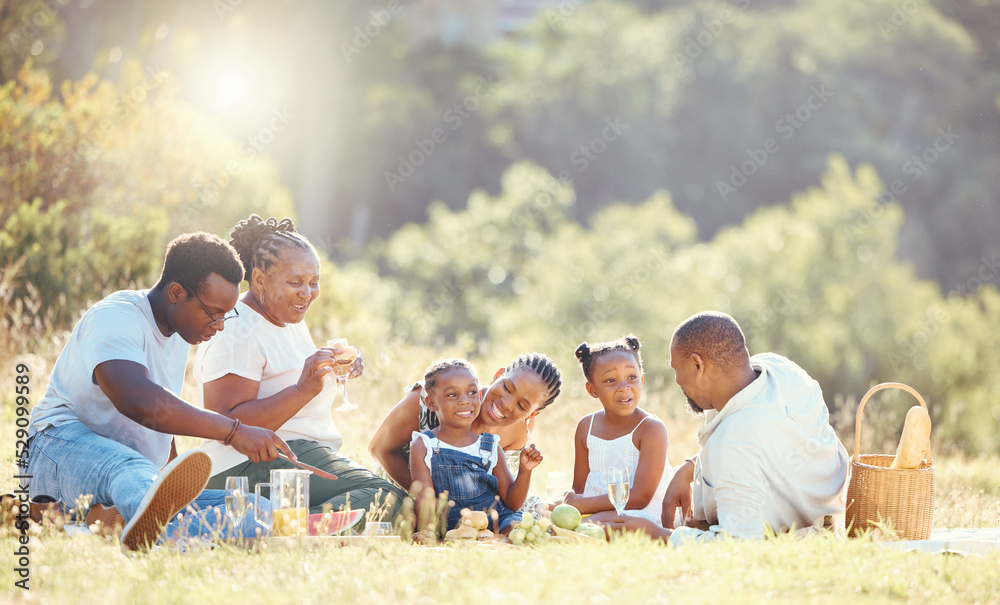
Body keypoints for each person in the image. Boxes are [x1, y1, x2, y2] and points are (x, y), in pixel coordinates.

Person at [25, 232, 290, 551]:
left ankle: (97, 524)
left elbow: (163, 415)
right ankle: (154, 536)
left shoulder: (180, 332)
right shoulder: (116, 316)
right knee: (129, 469)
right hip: (56, 449)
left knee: (252, 506)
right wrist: (234, 431)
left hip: (135, 478)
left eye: (226, 315)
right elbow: (138, 401)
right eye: (213, 312)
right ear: (176, 292)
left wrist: (171, 478)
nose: (219, 325)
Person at [195, 215, 404, 524]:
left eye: (313, 282)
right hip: (247, 464)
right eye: (295, 282)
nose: (307, 293)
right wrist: (302, 390)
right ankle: (282, 529)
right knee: (386, 498)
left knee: (394, 503)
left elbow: (292, 375)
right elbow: (224, 420)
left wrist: (334, 367)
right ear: (260, 279)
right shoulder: (238, 328)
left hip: (299, 455)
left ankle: (276, 523)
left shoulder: (287, 318)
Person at [609, 311, 849, 544]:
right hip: (832, 514)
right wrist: (692, 467)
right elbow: (762, 440)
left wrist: (658, 534)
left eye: (676, 369)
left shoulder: (733, 442)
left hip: (798, 540)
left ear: (697, 365)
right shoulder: (781, 368)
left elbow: (739, 543)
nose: (677, 380)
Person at [368, 352, 562, 512]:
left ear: (532, 413)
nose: (506, 404)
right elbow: (379, 448)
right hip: (401, 492)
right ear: (498, 375)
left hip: (468, 509)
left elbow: (500, 489)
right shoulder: (435, 395)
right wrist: (431, 501)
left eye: (521, 405)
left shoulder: (521, 430)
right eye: (506, 388)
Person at [409, 359, 543, 533]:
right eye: (452, 395)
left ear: (480, 396)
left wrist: (525, 470)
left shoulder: (490, 446)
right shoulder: (424, 445)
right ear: (431, 402)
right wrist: (428, 534)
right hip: (453, 526)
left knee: (517, 530)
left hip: (496, 520)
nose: (465, 401)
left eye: (472, 392)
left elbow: (512, 502)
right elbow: (424, 501)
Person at [561, 336, 669, 524]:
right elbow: (579, 488)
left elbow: (641, 497)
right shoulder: (586, 427)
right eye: (610, 380)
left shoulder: (651, 428)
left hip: (643, 514)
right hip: (598, 512)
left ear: (641, 380)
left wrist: (584, 506)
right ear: (592, 389)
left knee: (595, 524)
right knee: (557, 518)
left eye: (632, 377)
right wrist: (570, 503)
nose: (623, 387)